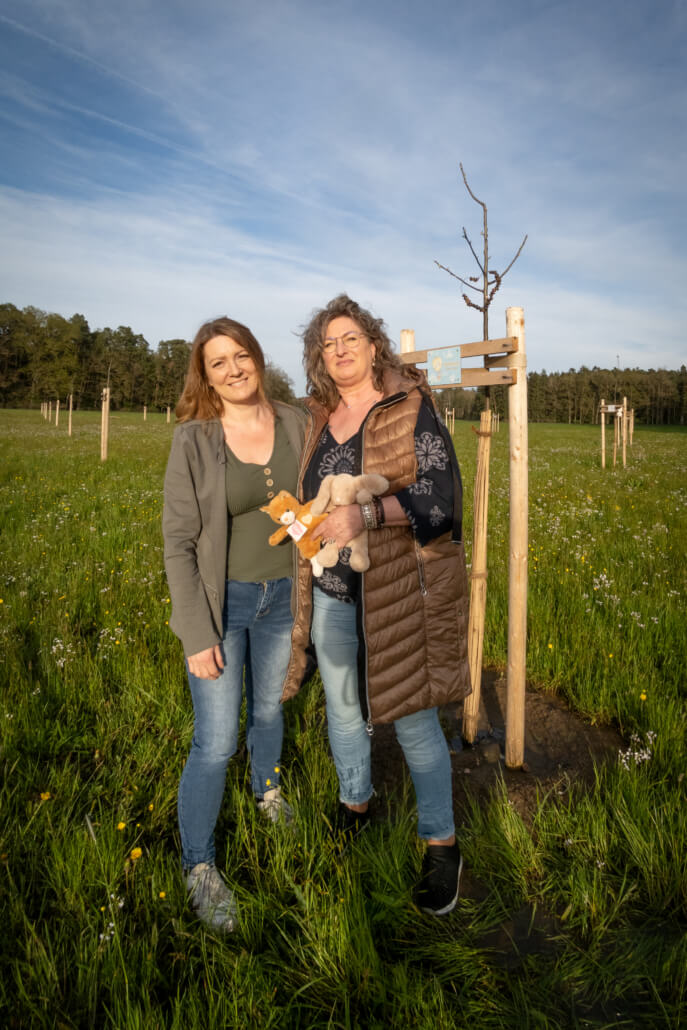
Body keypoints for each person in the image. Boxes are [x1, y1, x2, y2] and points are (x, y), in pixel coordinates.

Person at [281, 294, 471, 916]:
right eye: (328, 344)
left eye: (350, 339)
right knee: (341, 705)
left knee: (413, 716)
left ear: (373, 345)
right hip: (335, 594)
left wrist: (363, 512)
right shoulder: (319, 416)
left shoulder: (411, 406)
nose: (339, 350)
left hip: (397, 590)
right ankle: (355, 805)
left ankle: (441, 843)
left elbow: (440, 499)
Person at [162, 316, 305, 932]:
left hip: (285, 597)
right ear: (205, 374)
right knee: (217, 740)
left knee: (271, 709)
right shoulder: (194, 440)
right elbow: (178, 542)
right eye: (218, 361)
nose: (233, 368)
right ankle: (200, 865)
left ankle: (267, 793)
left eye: (241, 355)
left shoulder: (297, 420)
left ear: (258, 357)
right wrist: (196, 633)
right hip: (226, 606)